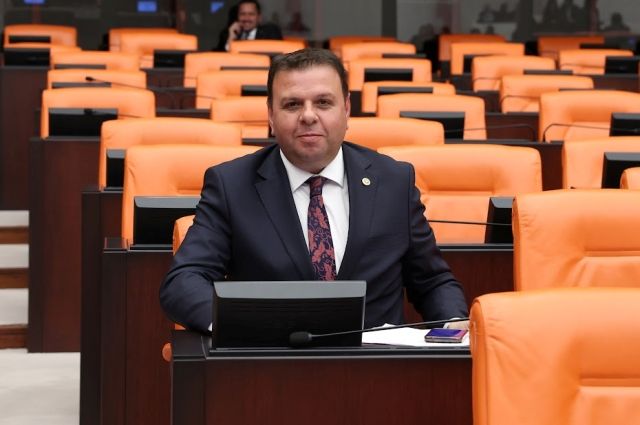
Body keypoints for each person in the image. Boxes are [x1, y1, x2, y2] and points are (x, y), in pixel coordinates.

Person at [160, 48, 469, 334]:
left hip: (376, 365)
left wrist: (454, 328)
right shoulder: (232, 185)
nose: (308, 115)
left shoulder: (393, 181)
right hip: (271, 363)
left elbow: (432, 282)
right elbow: (183, 282)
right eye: (292, 104)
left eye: (323, 102)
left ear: (346, 109)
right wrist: (244, 328)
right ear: (271, 115)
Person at [217, 0, 282, 51]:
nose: (246, 18)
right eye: (242, 14)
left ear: (259, 17)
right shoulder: (227, 34)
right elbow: (219, 58)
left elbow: (277, 57)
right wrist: (231, 38)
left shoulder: (270, 32)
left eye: (251, 14)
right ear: (237, 16)